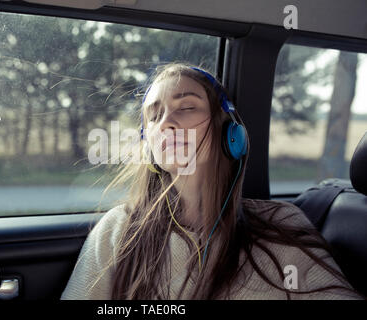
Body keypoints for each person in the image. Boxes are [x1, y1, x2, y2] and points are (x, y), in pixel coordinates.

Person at [61, 62, 363, 300]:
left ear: (230, 134)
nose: (165, 122)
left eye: (187, 107)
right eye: (153, 116)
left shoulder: (282, 224)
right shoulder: (119, 229)